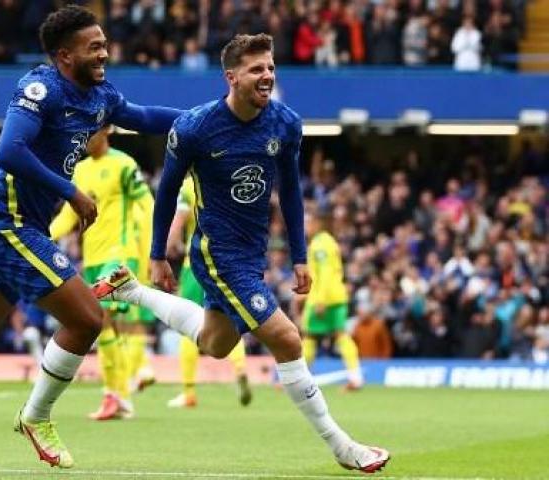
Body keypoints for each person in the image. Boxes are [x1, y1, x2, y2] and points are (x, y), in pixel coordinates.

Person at [0, 5, 182, 469]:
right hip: (7, 224)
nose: (105, 52)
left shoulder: (100, 95)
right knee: (87, 320)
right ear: (65, 55)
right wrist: (72, 191)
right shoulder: (40, 88)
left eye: (105, 43)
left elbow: (144, 116)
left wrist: (208, 121)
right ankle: (36, 414)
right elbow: (9, 150)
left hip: (22, 226)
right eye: (95, 47)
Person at [94, 33, 389, 472]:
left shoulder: (285, 124)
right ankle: (342, 445)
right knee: (288, 339)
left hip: (251, 254)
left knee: (217, 342)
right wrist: (158, 253)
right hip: (218, 253)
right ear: (231, 77)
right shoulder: (195, 128)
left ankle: (130, 290)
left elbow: (290, 191)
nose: (267, 76)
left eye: (270, 67)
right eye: (256, 69)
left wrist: (300, 255)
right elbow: (168, 191)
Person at [49, 125, 153, 421]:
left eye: (89, 132)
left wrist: (148, 257)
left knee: (105, 320)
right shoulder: (79, 170)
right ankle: (123, 395)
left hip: (119, 256)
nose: (83, 139)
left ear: (107, 130)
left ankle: (115, 395)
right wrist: (45, 235)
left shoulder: (124, 164)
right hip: (92, 259)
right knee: (107, 325)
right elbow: (70, 214)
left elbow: (147, 206)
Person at [165, 175, 252, 408]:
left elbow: (180, 217)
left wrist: (170, 242)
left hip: (196, 265)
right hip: (228, 264)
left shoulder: (190, 184)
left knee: (188, 328)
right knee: (231, 323)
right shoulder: (229, 179)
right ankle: (241, 368)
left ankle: (189, 391)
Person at [298, 209, 364, 390]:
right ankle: (356, 378)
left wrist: (320, 300)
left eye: (309, 222)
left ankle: (298, 381)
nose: (306, 227)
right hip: (337, 296)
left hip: (323, 298)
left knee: (309, 335)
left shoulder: (320, 245)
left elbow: (325, 273)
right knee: (341, 335)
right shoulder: (330, 242)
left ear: (318, 223)